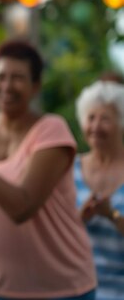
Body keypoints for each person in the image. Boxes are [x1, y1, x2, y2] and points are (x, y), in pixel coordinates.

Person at [0, 40, 96, 300]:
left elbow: (22, 207)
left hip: (62, 289)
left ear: (35, 86)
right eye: (0, 76)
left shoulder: (51, 130)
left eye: (17, 78)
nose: (6, 86)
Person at [74, 80, 124, 300]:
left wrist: (112, 215)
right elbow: (54, 233)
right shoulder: (69, 169)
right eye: (90, 118)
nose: (95, 126)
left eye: (105, 118)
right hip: (74, 285)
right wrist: (79, 219)